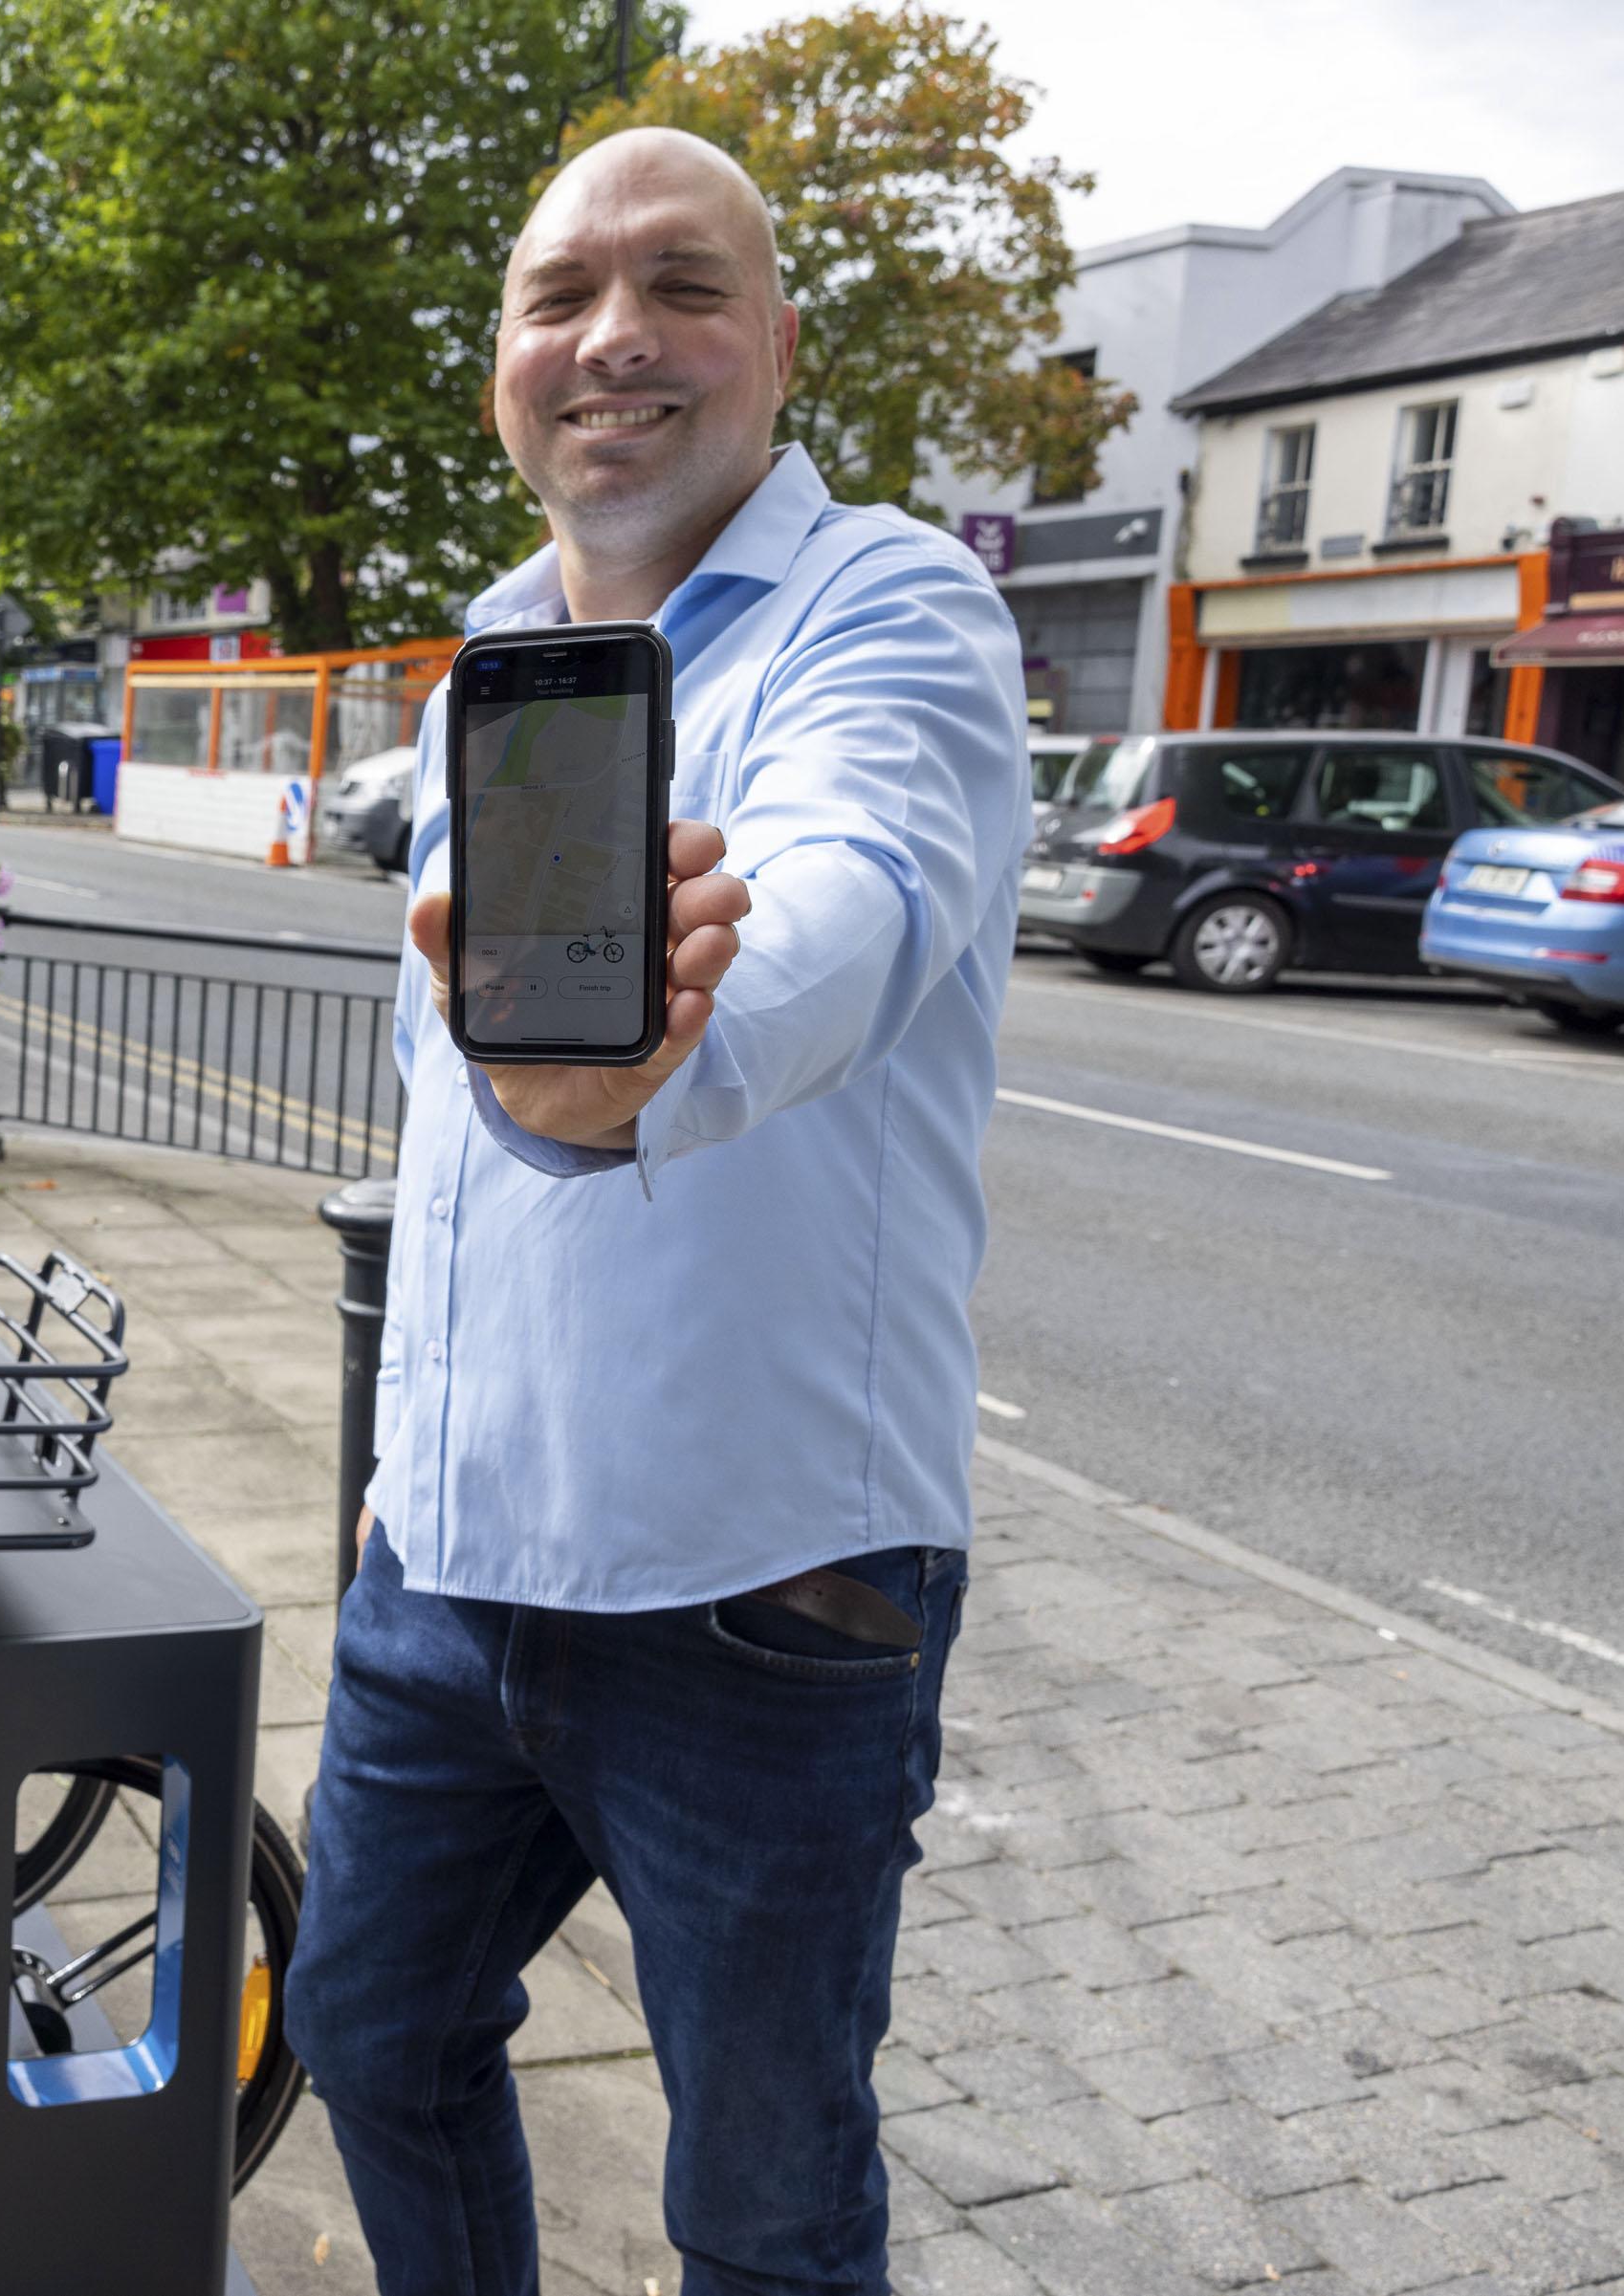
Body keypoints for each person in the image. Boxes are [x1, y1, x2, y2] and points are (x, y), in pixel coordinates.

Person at [280, 128, 1029, 2294]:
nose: (610, 336)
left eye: (680, 286)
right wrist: (398, 1460)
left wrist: (650, 1065)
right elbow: (448, 1111)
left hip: (757, 1595)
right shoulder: (494, 664)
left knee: (762, 2203)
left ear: (778, 347)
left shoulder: (886, 606)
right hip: (442, 1563)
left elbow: (841, 896)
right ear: (500, 366)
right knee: (366, 2024)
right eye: (555, 296)